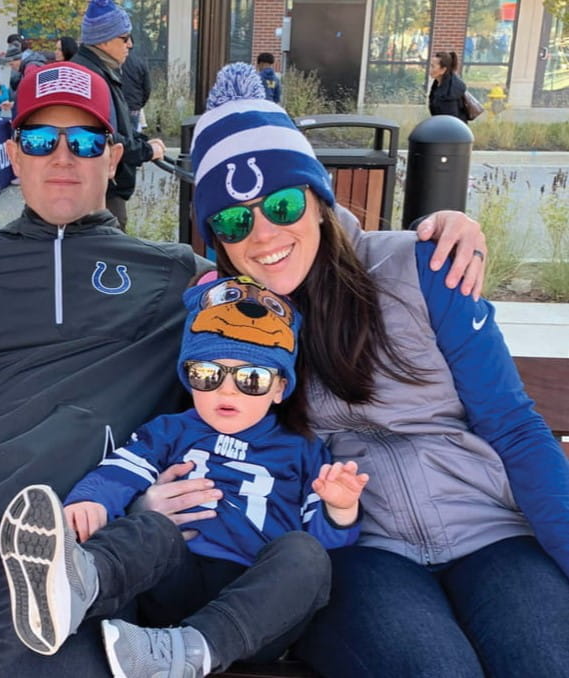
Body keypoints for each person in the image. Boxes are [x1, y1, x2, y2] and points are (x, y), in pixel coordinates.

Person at [0, 65, 488, 677]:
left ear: (114, 156)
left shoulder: (169, 274)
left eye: (86, 143)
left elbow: (283, 262)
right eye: (42, 139)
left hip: (76, 552)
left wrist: (428, 231)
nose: (63, 158)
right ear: (10, 150)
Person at [147, 93, 569, 677]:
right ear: (217, 238)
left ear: (318, 201)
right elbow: (201, 427)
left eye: (283, 202)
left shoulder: (421, 270)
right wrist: (148, 502)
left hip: (489, 530)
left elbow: (514, 425)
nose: (264, 233)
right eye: (236, 219)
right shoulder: (227, 320)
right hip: (357, 546)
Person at [0, 275, 369, 677]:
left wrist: (340, 507)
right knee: (152, 526)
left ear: (279, 388)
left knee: (306, 554)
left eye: (251, 379)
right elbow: (122, 469)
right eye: (209, 375)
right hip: (175, 580)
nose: (227, 392)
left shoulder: (303, 451)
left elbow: (325, 539)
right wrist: (90, 501)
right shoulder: (171, 431)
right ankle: (78, 585)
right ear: (188, 376)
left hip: (254, 610)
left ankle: (190, 651)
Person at [72, 0, 166, 230]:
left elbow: (116, 130)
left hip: (102, 190)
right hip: (100, 195)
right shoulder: (92, 79)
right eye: (124, 38)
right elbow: (107, 139)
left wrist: (141, 142)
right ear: (104, 40)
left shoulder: (97, 70)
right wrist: (146, 151)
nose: (130, 45)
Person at [121, 35, 151, 133]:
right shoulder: (140, 62)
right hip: (134, 105)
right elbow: (147, 88)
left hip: (119, 104)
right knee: (133, 135)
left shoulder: (114, 62)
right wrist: (139, 104)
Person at [429, 51, 469, 122]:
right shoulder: (437, 84)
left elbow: (451, 121)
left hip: (453, 130)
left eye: (433, 66)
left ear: (443, 70)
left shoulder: (449, 93)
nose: (430, 70)